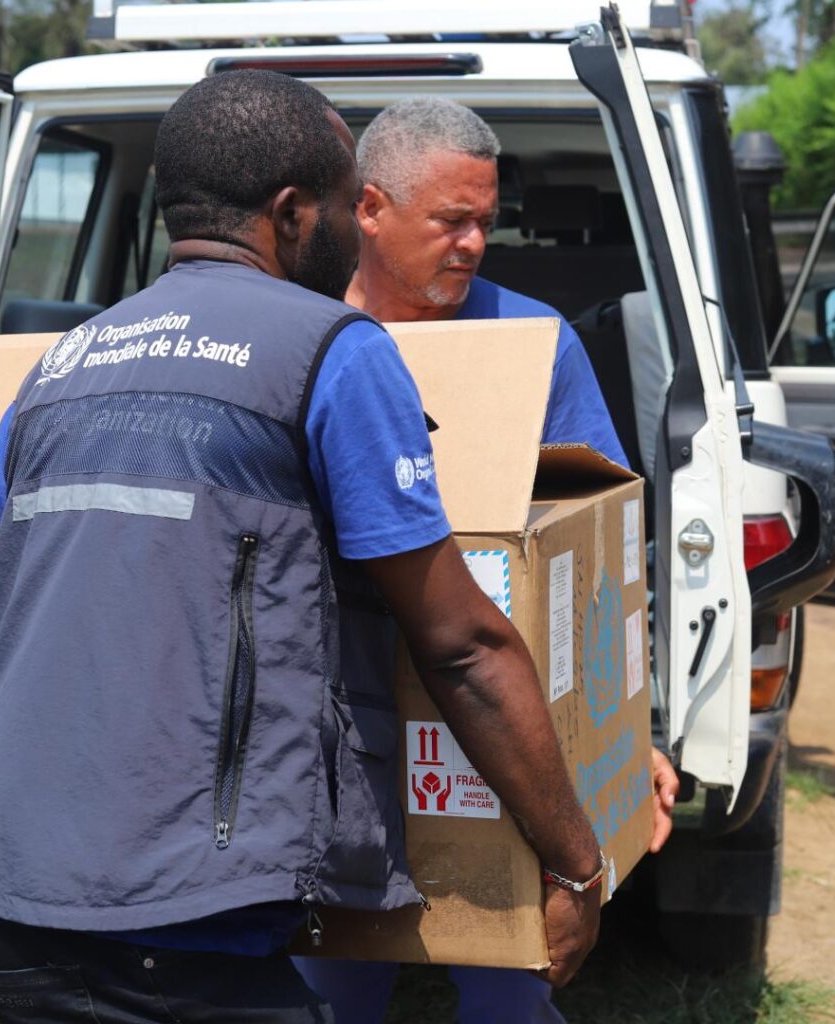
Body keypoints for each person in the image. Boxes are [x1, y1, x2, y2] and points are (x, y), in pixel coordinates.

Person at [0, 71, 606, 1023]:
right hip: (174, 922)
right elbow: (465, 648)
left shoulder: (63, 363)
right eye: (342, 206)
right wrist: (575, 859)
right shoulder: (334, 348)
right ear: (291, 214)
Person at [297, 98, 680, 1024]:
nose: (474, 243)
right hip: (326, 730)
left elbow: (594, 563)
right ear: (371, 209)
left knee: (511, 989)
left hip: (489, 734)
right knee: (324, 987)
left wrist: (633, 734)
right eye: (450, 221)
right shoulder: (295, 337)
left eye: (486, 220)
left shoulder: (535, 345)